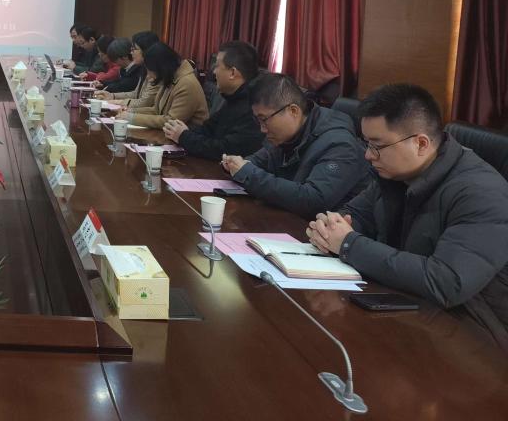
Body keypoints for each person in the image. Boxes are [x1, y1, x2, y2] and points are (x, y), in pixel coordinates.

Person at [308, 84, 508, 351]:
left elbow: (446, 282)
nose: (368, 155)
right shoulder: (395, 172)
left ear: (421, 143)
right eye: (366, 143)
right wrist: (330, 226)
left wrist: (347, 243)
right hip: (405, 308)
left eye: (377, 146)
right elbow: (356, 214)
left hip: (474, 337)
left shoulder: (481, 193)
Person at [221, 72, 370, 220]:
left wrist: (248, 173)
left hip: (319, 229)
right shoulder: (286, 135)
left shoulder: (340, 145)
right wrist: (236, 166)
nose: (262, 129)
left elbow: (313, 201)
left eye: (264, 120)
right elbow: (257, 162)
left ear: (293, 111)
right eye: (258, 121)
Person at [164, 40, 264, 160]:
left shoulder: (254, 107)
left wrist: (184, 136)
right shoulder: (233, 98)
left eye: (217, 66)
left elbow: (225, 150)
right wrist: (179, 130)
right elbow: (208, 129)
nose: (214, 71)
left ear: (232, 73)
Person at [123, 42, 208, 129]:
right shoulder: (171, 77)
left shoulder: (186, 84)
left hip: (190, 135)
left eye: (150, 70)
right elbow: (157, 110)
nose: (148, 76)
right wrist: (129, 111)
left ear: (161, 68)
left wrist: (131, 118)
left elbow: (171, 121)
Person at [95, 30, 158, 105]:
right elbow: (136, 93)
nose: (131, 52)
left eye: (134, 49)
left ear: (146, 50)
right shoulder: (144, 68)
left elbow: (145, 102)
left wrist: (117, 102)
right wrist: (112, 96)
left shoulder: (152, 72)